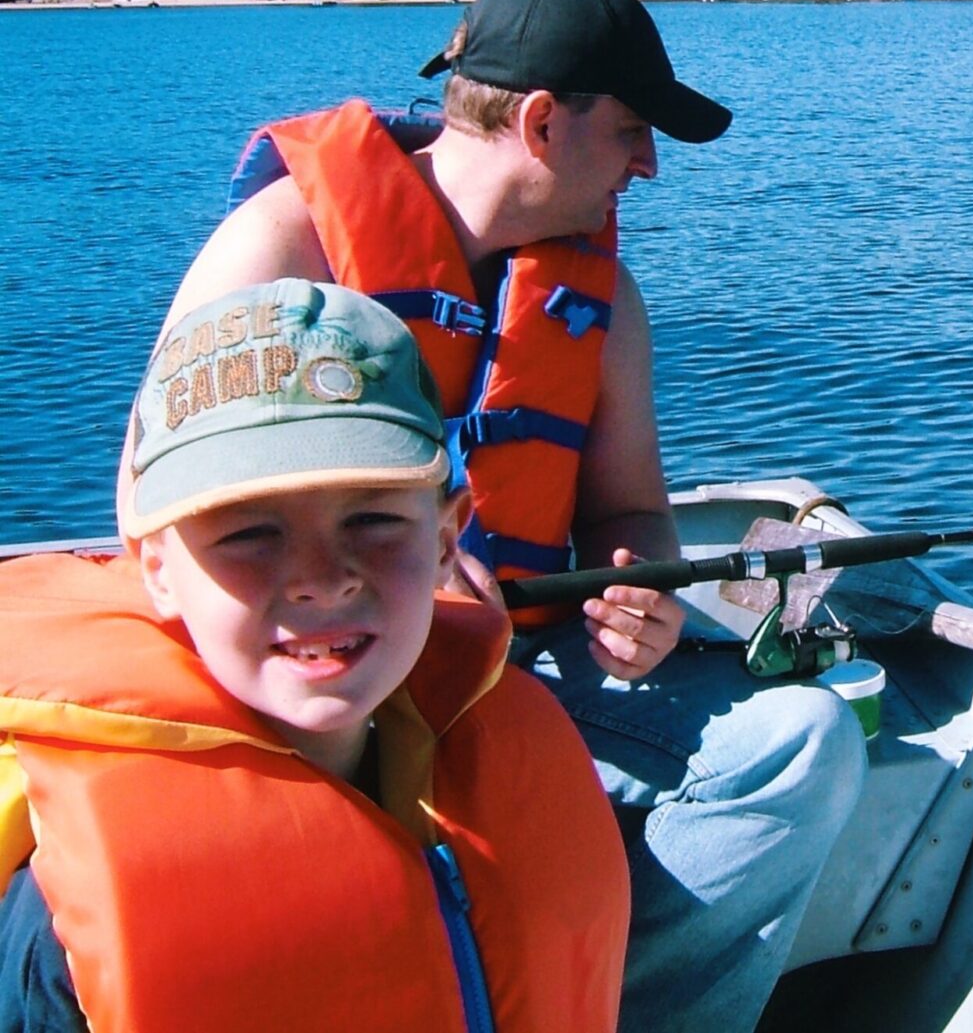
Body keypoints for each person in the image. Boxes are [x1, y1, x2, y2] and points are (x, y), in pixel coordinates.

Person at [140, 0, 866, 1033]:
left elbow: (628, 511)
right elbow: (153, 511)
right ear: (539, 121)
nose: (648, 164)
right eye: (630, 129)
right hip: (310, 677)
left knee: (803, 743)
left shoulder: (602, 305)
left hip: (515, 670)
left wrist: (637, 590)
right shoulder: (282, 248)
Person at [1, 280, 629, 1033]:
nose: (321, 578)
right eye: (248, 534)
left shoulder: (511, 759)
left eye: (371, 517)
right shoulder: (57, 922)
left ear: (443, 539)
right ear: (158, 569)